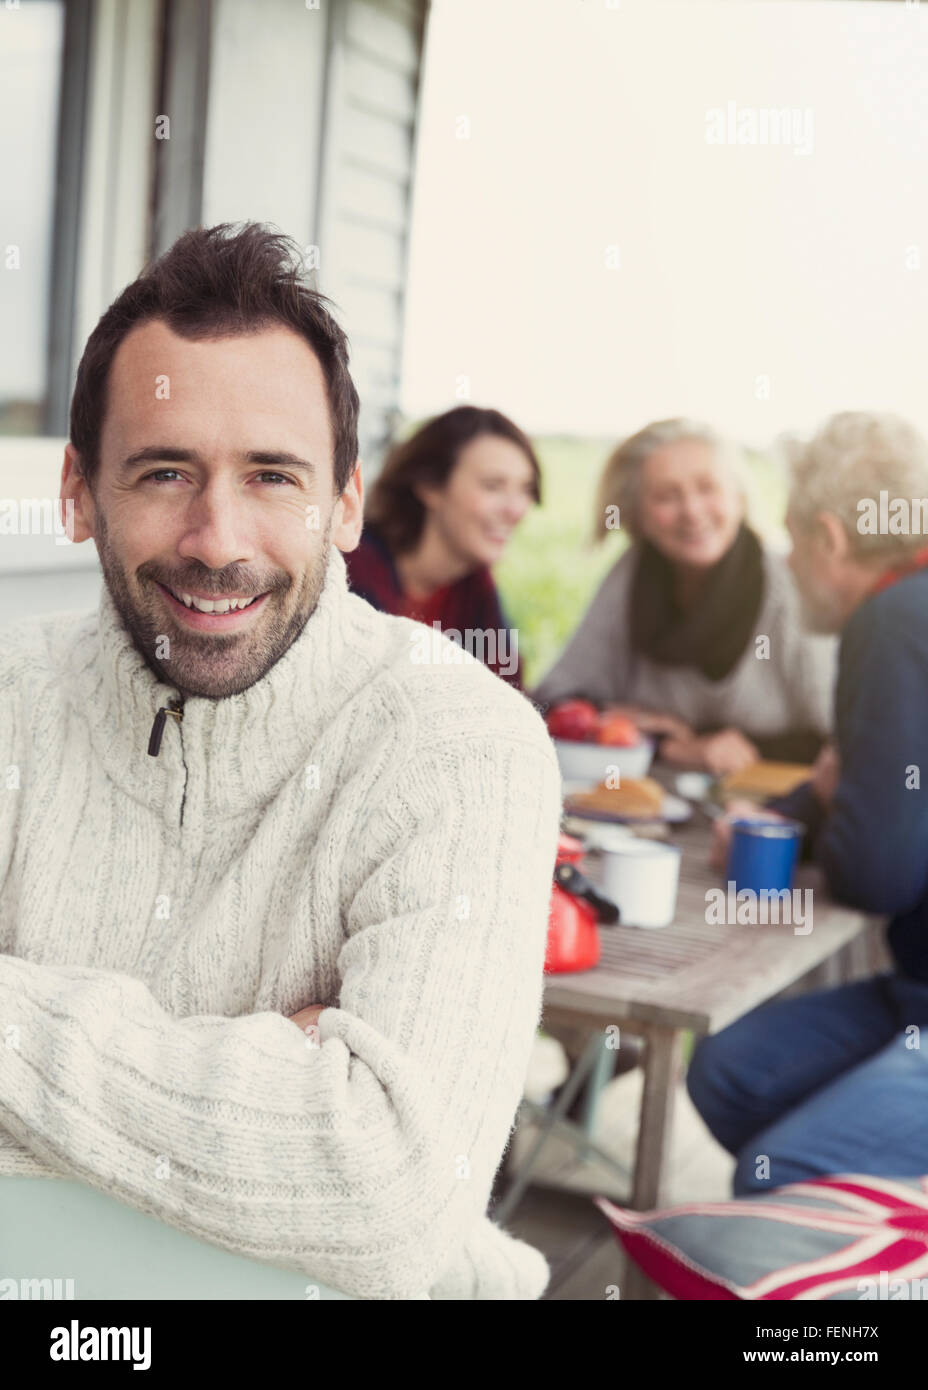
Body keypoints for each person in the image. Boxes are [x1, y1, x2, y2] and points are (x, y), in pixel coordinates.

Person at [0, 223, 563, 1301]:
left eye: (272, 476)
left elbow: (390, 1197)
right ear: (78, 492)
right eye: (165, 471)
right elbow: (330, 1168)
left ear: (345, 502)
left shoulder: (463, 745)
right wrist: (273, 1072)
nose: (219, 538)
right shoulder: (9, 702)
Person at [687, 411, 928, 1192]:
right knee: (733, 1072)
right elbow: (886, 803)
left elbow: (878, 874)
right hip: (913, 986)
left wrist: (830, 797)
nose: (787, 564)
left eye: (792, 541)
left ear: (828, 537)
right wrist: (814, 806)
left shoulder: (893, 620)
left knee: (786, 1172)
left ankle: (839, 1255)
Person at [533, 419, 837, 775]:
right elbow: (554, 700)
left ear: (738, 498)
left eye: (707, 489)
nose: (692, 512)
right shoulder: (630, 578)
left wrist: (724, 745)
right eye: (666, 496)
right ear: (638, 516)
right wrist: (655, 738)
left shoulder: (790, 587)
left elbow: (844, 739)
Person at [344, 406, 540, 688]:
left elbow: (508, 699)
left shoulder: (474, 585)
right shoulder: (351, 572)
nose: (516, 509)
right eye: (493, 486)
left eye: (525, 489)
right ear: (430, 485)